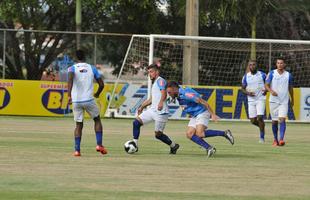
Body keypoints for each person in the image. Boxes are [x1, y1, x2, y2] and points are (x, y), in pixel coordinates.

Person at [166, 81, 234, 158]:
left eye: (169, 92)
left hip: (202, 112)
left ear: (174, 89)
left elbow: (203, 101)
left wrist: (212, 114)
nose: (169, 94)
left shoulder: (185, 94)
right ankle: (209, 148)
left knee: (200, 134)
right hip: (195, 115)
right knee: (189, 134)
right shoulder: (178, 93)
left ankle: (225, 133)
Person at [131, 64, 179, 154]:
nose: (150, 74)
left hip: (161, 112)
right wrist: (142, 106)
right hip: (153, 110)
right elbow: (152, 99)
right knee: (136, 122)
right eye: (148, 72)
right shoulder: (155, 83)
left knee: (158, 135)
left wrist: (161, 102)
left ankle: (174, 146)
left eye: (151, 72)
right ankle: (135, 144)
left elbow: (164, 93)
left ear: (157, 72)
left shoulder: (160, 81)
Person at [67, 49, 107, 156]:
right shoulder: (92, 68)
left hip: (76, 101)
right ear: (85, 57)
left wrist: (69, 96)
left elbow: (70, 80)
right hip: (89, 100)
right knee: (97, 120)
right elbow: (101, 84)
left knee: (78, 125)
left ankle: (77, 150)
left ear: (76, 58)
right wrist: (97, 93)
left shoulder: (72, 68)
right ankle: (99, 145)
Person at [265, 57, 294, 146]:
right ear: (276, 64)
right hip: (273, 101)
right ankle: (275, 140)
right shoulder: (272, 73)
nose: (280, 65)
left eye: (281, 63)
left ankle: (281, 139)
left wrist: (292, 98)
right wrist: (271, 91)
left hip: (284, 101)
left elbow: (290, 88)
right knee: (274, 121)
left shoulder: (288, 75)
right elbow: (266, 85)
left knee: (282, 119)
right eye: (278, 63)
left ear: (284, 64)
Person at [241, 60, 267, 143]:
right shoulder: (246, 76)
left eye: (254, 65)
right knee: (252, 121)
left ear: (257, 66)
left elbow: (269, 85)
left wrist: (266, 90)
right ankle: (262, 126)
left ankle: (262, 137)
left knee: (260, 117)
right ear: (249, 66)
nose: (252, 66)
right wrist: (248, 93)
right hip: (251, 100)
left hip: (260, 99)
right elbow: (242, 88)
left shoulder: (262, 75)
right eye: (250, 65)